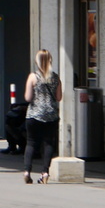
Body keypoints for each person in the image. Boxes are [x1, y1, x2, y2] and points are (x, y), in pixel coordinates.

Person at [23, 49, 62, 184]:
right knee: (48, 143)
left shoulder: (33, 77)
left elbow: (28, 98)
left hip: (34, 115)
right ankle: (45, 172)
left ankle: (27, 171)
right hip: (51, 116)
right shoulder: (56, 78)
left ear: (37, 61)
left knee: (31, 143)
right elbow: (59, 97)